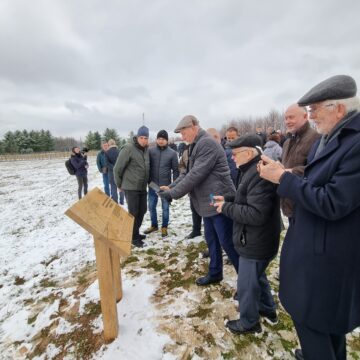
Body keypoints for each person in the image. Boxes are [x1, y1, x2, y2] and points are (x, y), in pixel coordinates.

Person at [258, 75, 360, 360]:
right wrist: (287, 173)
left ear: (338, 108)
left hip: (327, 259)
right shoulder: (328, 138)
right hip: (316, 250)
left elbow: (334, 201)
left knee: (314, 322)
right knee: (327, 327)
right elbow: (316, 177)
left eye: (315, 110)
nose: (312, 117)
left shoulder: (355, 144)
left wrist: (283, 180)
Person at [159, 115, 239, 286]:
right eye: (180, 133)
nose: (182, 136)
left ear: (194, 126)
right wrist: (171, 188)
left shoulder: (206, 143)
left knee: (228, 243)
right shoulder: (196, 145)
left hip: (219, 201)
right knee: (212, 239)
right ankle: (216, 272)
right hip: (208, 203)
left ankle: (247, 283)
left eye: (183, 132)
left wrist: (173, 195)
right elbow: (187, 173)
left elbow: (196, 175)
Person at [213, 134, 280, 335]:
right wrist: (227, 197)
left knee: (246, 286)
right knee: (257, 278)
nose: (231, 158)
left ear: (249, 152)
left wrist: (225, 207)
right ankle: (268, 310)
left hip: (256, 240)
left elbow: (256, 214)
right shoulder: (250, 168)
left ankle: (250, 323)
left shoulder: (259, 173)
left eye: (235, 154)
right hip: (256, 238)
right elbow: (244, 195)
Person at [281, 104, 320, 218]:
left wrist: (286, 173)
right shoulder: (287, 142)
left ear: (305, 116)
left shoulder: (316, 138)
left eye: (291, 117)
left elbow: (318, 170)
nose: (288, 121)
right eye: (286, 118)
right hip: (289, 202)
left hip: (305, 205)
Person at [114, 126, 150, 248]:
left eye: (146, 138)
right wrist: (119, 185)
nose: (144, 140)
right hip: (131, 187)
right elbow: (117, 168)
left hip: (142, 187)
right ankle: (133, 237)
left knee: (143, 210)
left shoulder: (145, 150)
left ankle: (135, 232)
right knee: (133, 212)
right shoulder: (128, 148)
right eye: (142, 137)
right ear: (137, 137)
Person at [144, 130, 179, 237]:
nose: (161, 141)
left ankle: (164, 227)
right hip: (152, 184)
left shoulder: (172, 153)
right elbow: (146, 166)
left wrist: (173, 186)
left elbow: (176, 170)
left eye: (163, 139)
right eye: (159, 139)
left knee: (165, 207)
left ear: (167, 140)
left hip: (165, 185)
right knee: (151, 206)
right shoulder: (150, 151)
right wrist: (148, 180)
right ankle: (154, 225)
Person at [179, 144, 203, 239]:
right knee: (194, 209)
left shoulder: (202, 148)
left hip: (204, 186)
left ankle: (212, 232)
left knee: (208, 210)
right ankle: (196, 230)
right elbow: (181, 165)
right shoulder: (186, 152)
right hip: (192, 186)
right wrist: (185, 172)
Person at [105, 139, 124, 205]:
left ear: (109, 144)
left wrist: (113, 168)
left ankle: (115, 202)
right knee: (121, 186)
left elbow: (107, 163)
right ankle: (122, 202)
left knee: (113, 187)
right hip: (120, 172)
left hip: (111, 173)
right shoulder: (120, 151)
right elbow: (122, 162)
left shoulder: (107, 152)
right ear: (115, 143)